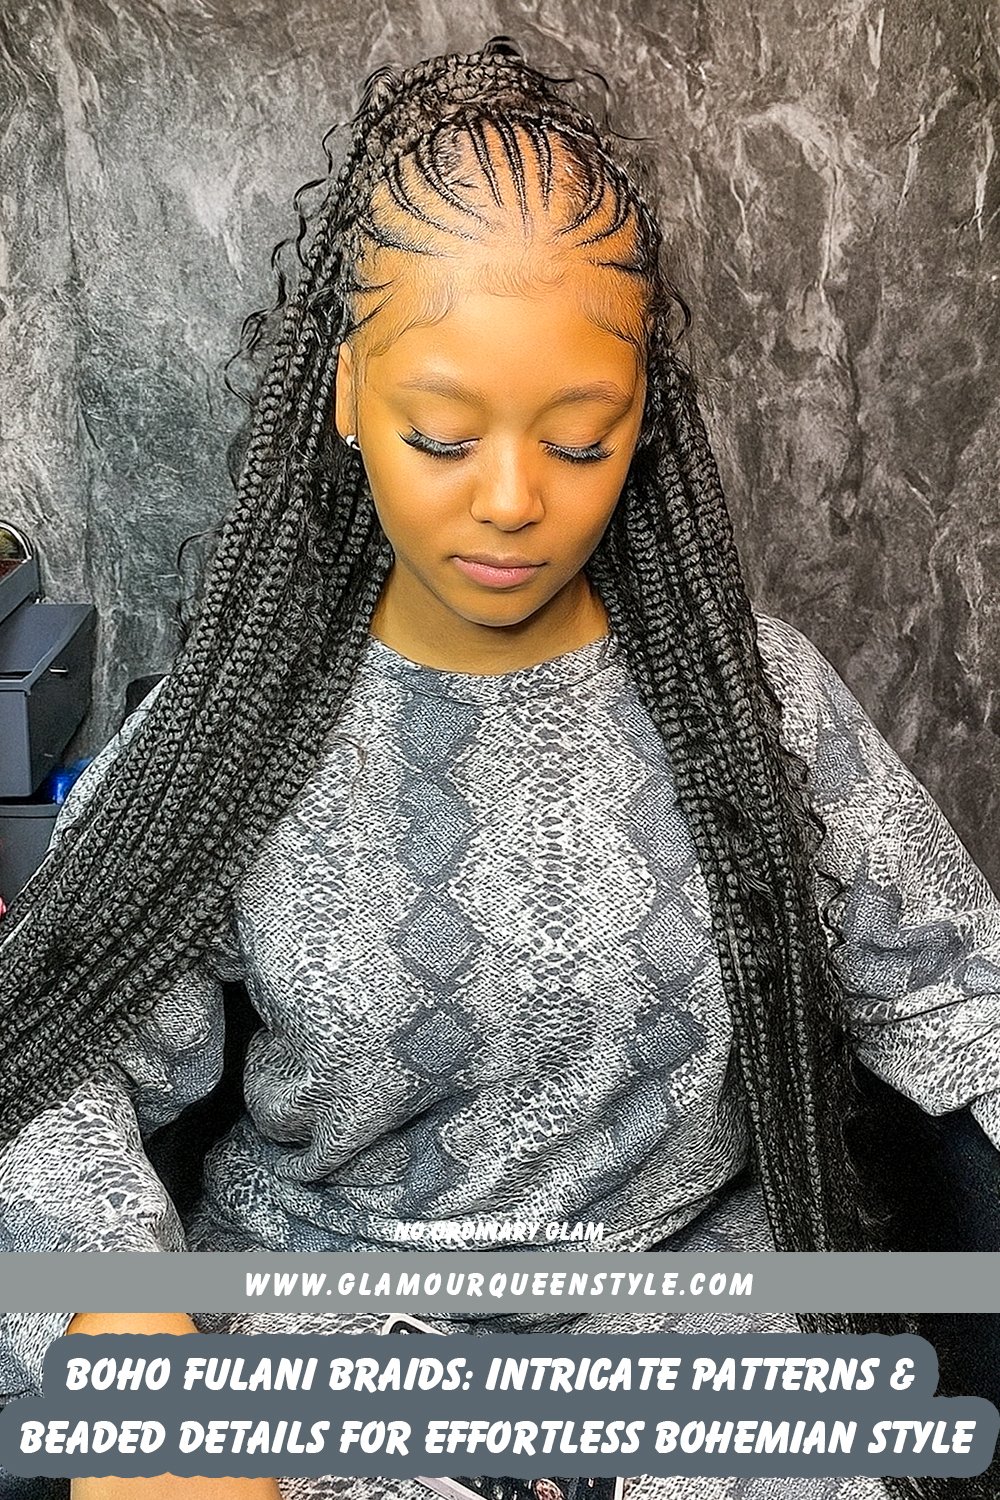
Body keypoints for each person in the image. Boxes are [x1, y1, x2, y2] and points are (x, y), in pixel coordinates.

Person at [0, 34, 997, 1500]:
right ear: (345, 397)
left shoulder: (756, 703)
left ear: (641, 413)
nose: (515, 503)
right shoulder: (234, 733)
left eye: (580, 440)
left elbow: (956, 988)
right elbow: (43, 1061)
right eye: (443, 433)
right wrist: (135, 1341)